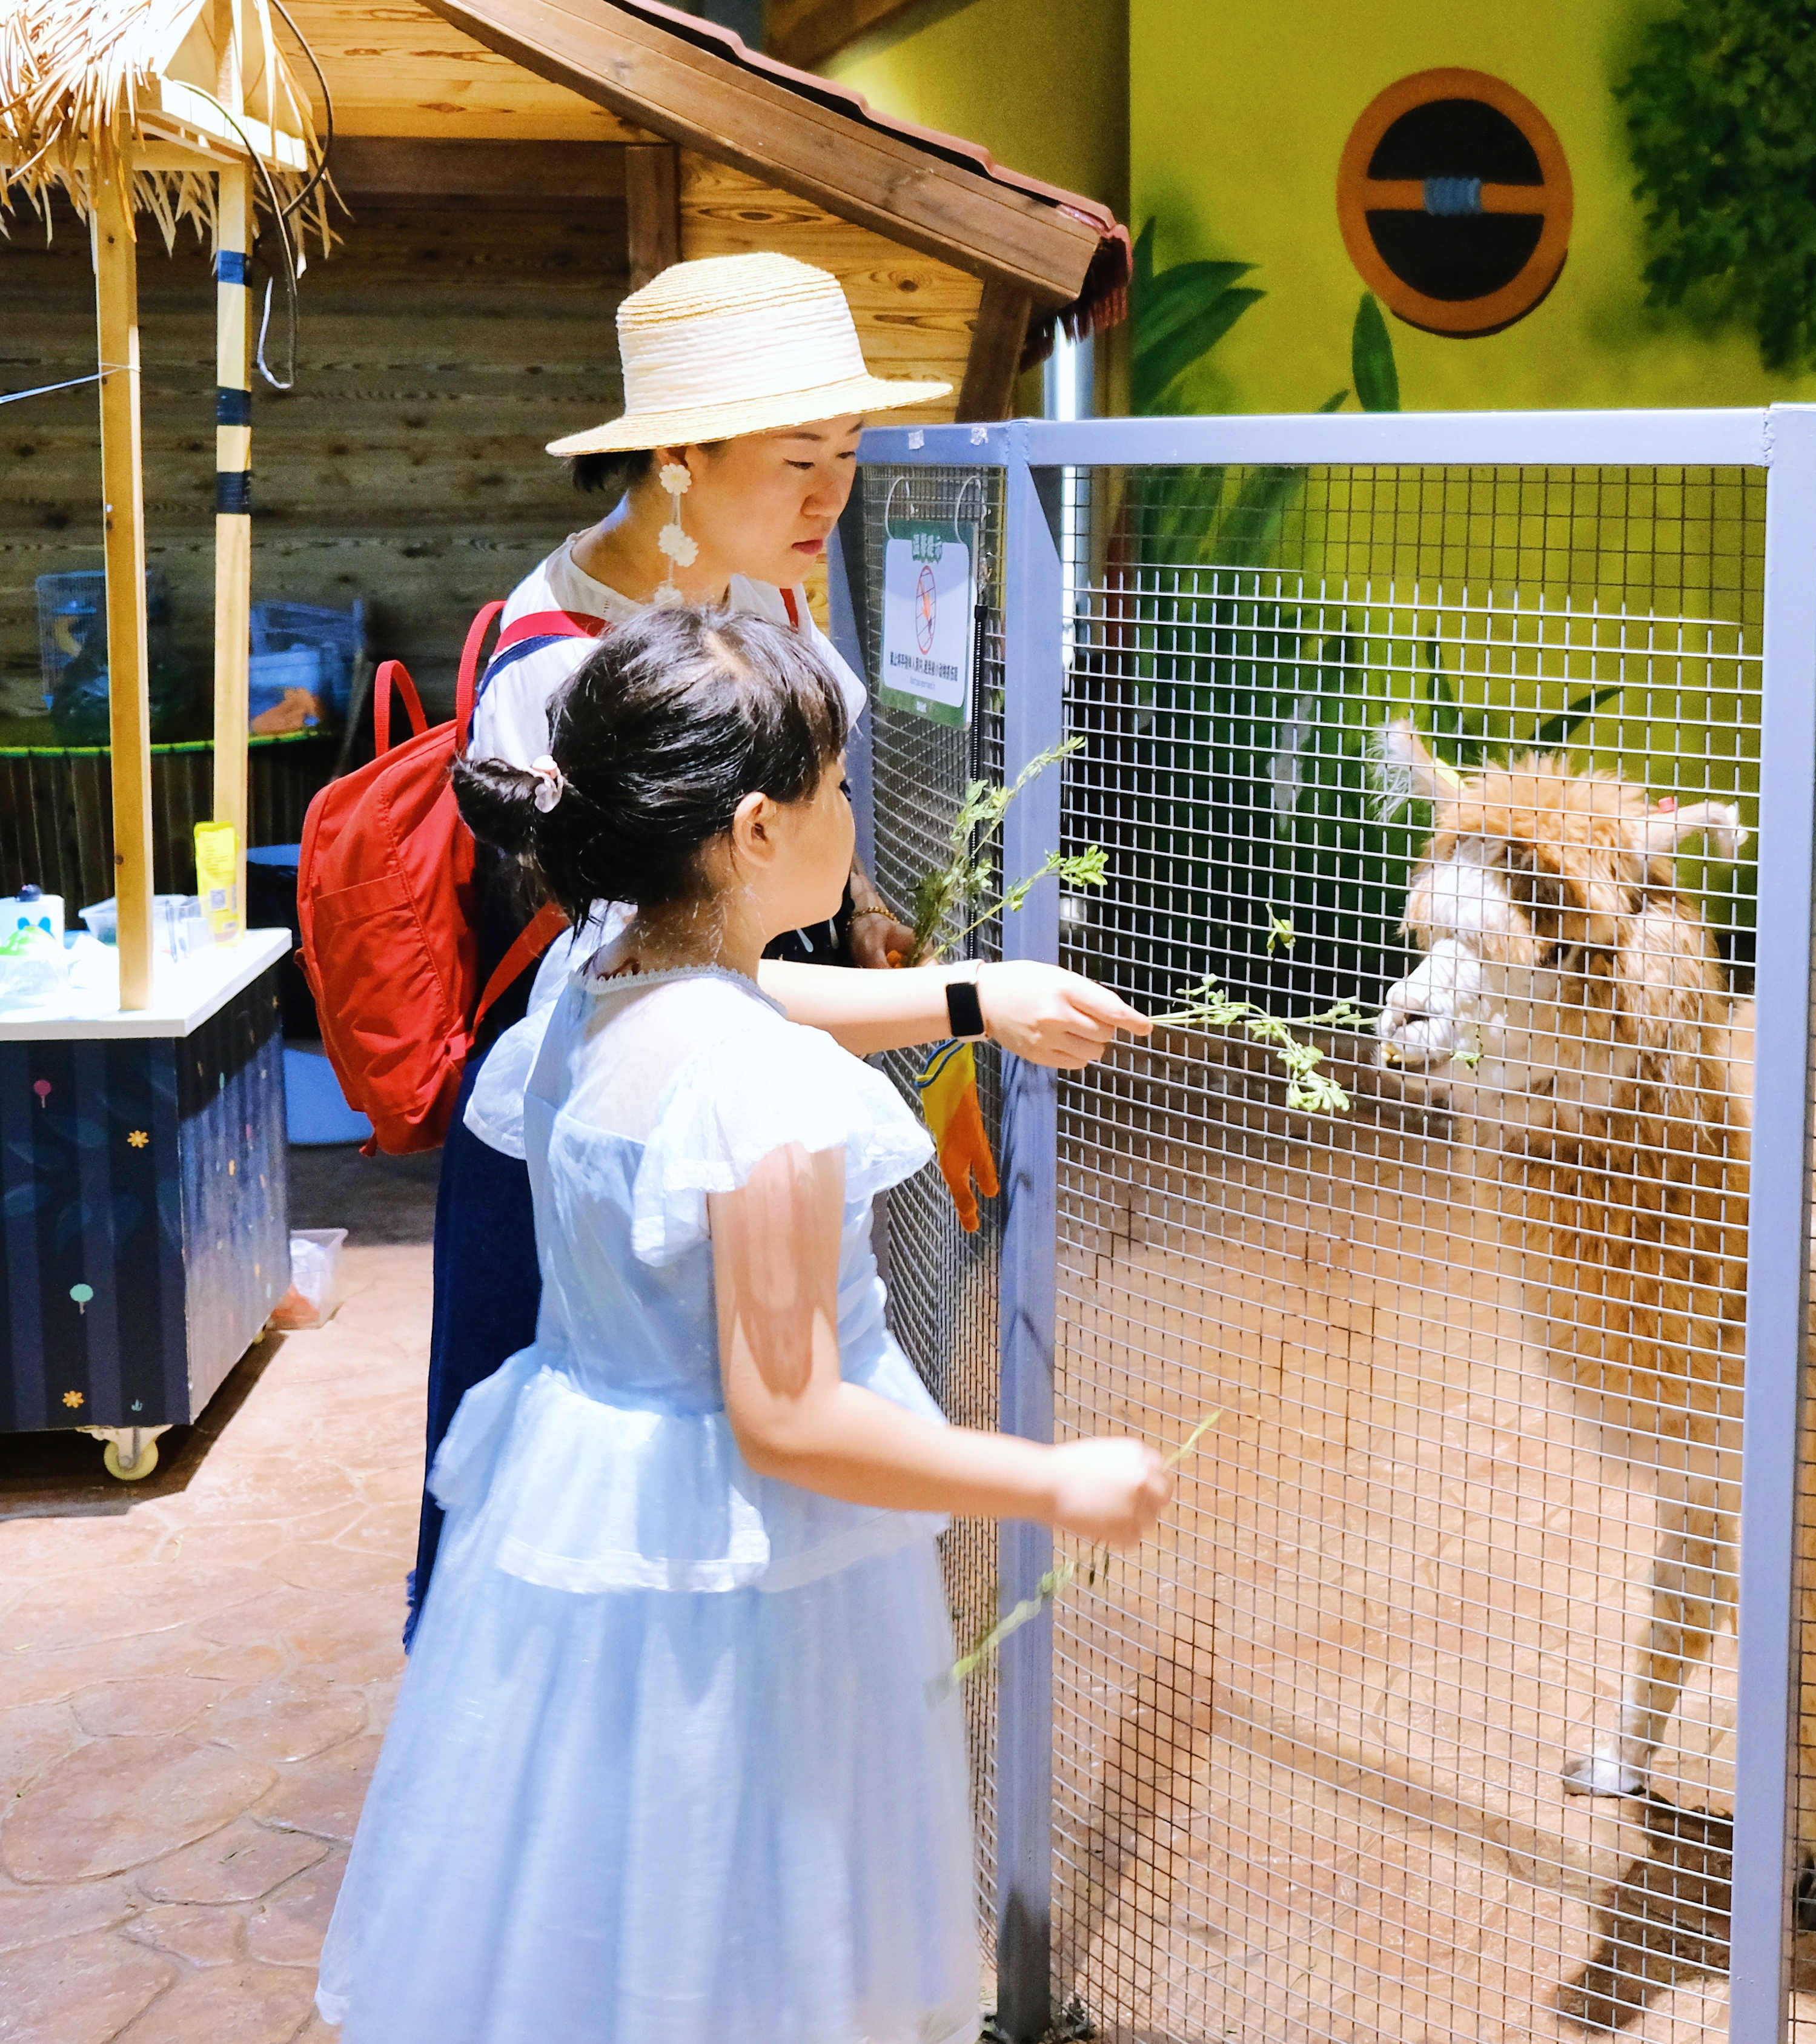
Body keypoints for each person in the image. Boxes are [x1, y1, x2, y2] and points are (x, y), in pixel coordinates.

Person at [316, 607, 1176, 2043]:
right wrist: (1053, 1479)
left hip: (598, 1519)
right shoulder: (755, 1096)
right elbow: (786, 1413)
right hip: (753, 1564)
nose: (851, 814)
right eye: (838, 788)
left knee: (624, 1887)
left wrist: (976, 998)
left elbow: (754, 988)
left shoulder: (587, 988)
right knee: (759, 1905)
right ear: (761, 830)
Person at [413, 250, 1125, 1638]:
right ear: (676, 455)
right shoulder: (562, 669)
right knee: (612, 1561)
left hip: (750, 1076)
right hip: (611, 1147)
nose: (830, 498)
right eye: (798, 459)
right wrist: (967, 996)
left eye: (848, 455)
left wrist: (858, 913)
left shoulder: (764, 583)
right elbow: (671, 992)